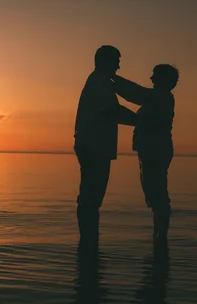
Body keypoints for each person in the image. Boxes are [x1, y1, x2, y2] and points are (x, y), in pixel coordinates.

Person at [73, 45, 137, 245]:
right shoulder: (99, 82)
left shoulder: (102, 81)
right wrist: (142, 120)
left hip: (93, 144)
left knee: (91, 196)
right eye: (116, 60)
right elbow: (112, 111)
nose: (119, 65)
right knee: (92, 197)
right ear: (104, 61)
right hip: (94, 145)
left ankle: (89, 239)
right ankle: (89, 239)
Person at [112, 64, 179, 243]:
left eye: (154, 75)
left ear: (165, 80)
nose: (151, 78)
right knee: (153, 192)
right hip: (151, 149)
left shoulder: (161, 97)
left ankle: (161, 237)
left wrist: (113, 80)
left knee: (157, 193)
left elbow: (136, 93)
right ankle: (158, 236)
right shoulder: (157, 98)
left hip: (156, 149)